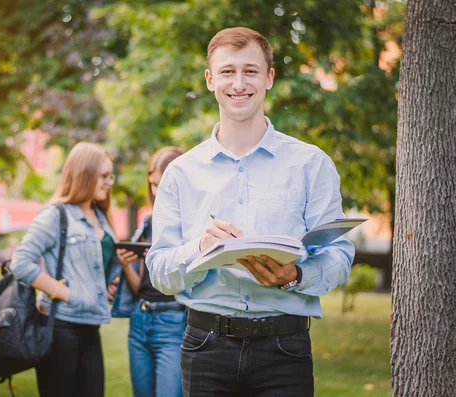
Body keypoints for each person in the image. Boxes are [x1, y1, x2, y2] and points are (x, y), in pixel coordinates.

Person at [146, 27, 355, 397]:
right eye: (227, 71)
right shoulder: (180, 172)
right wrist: (199, 251)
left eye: (251, 71)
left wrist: (296, 274)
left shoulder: (310, 164)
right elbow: (160, 271)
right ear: (210, 80)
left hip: (284, 348)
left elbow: (339, 255)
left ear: (269, 78)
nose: (239, 83)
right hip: (204, 347)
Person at [10, 142, 121, 397]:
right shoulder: (55, 215)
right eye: (103, 175)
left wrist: (107, 287)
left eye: (110, 175)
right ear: (84, 174)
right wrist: (67, 293)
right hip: (60, 328)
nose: (109, 182)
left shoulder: (101, 217)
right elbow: (21, 262)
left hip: (91, 327)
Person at [112, 146, 186, 397]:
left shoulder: (191, 225)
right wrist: (125, 264)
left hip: (174, 324)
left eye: (162, 183)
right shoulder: (148, 223)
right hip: (140, 320)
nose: (157, 191)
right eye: (153, 184)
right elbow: (141, 286)